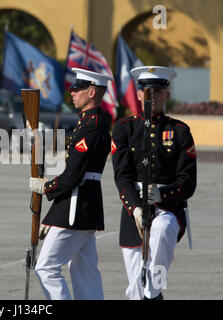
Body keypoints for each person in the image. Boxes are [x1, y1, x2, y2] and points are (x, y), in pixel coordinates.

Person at [111, 66, 197, 300]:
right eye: (147, 91)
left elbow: (188, 182)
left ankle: (154, 293)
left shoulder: (179, 131)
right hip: (134, 208)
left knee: (161, 230)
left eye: (158, 91)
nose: (152, 96)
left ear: (166, 95)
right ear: (139, 94)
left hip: (169, 207)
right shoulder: (124, 128)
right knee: (134, 289)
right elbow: (122, 176)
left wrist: (162, 194)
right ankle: (148, 294)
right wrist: (136, 207)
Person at [29, 68, 112, 300]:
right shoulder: (90, 122)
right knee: (84, 269)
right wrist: (51, 215)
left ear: (92, 92)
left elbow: (74, 174)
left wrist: (46, 187)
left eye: (78, 89)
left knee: (45, 268)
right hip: (82, 204)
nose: (72, 94)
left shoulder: (90, 126)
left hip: (77, 206)